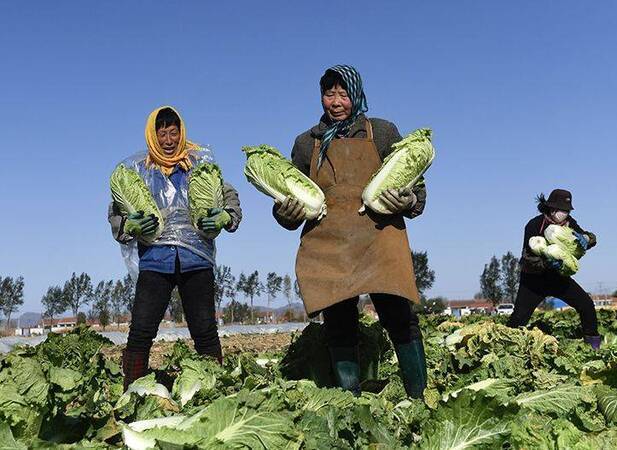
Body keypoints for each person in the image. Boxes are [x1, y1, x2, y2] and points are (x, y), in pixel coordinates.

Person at [273, 65, 428, 398]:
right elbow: (286, 195)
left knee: (400, 319)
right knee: (339, 326)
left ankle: (419, 398)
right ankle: (351, 403)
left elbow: (418, 190)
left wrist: (409, 198)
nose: (337, 101)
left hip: (380, 239)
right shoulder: (306, 143)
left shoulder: (383, 133)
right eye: (329, 94)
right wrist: (284, 213)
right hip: (329, 245)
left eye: (344, 93)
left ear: (356, 94)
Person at [108, 106, 242, 388]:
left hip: (196, 259)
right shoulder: (138, 171)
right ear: (152, 137)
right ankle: (131, 387)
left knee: (205, 330)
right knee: (142, 330)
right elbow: (116, 211)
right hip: (156, 260)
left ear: (181, 133)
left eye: (173, 132)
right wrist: (128, 225)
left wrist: (226, 216)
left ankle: (213, 388)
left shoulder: (199, 165)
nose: (168, 140)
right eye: (162, 134)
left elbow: (228, 195)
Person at [507, 189, 600, 348]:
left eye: (567, 210)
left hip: (558, 278)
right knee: (518, 319)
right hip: (533, 280)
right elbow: (527, 258)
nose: (564, 214)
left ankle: (594, 346)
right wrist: (547, 262)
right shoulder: (534, 225)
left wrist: (587, 238)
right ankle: (504, 347)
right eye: (562, 210)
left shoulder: (569, 222)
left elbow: (585, 236)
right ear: (551, 208)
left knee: (586, 305)